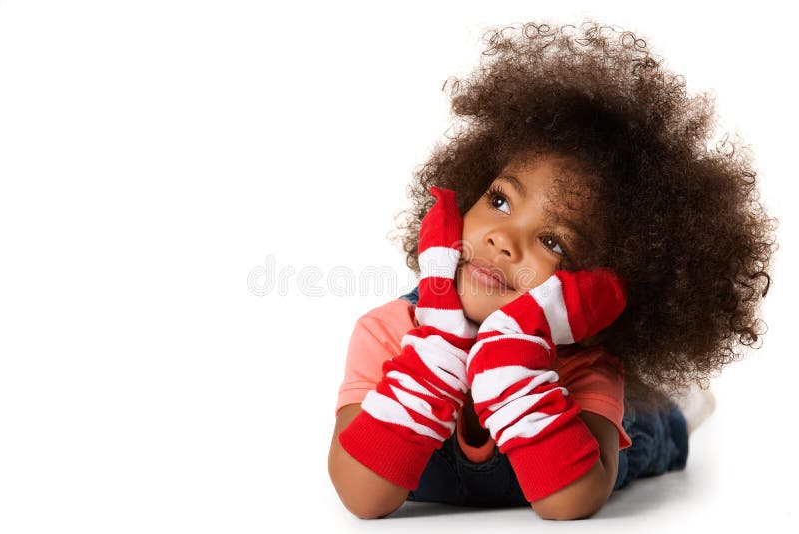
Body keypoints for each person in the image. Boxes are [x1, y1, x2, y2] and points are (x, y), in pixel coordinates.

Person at [327, 20, 776, 521]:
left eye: (552, 241)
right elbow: (362, 496)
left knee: (647, 435)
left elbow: (567, 502)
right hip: (422, 352)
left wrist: (512, 359)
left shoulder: (587, 365)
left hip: (615, 430)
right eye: (499, 200)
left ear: (596, 283)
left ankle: (678, 410)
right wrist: (437, 349)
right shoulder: (385, 333)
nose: (504, 240)